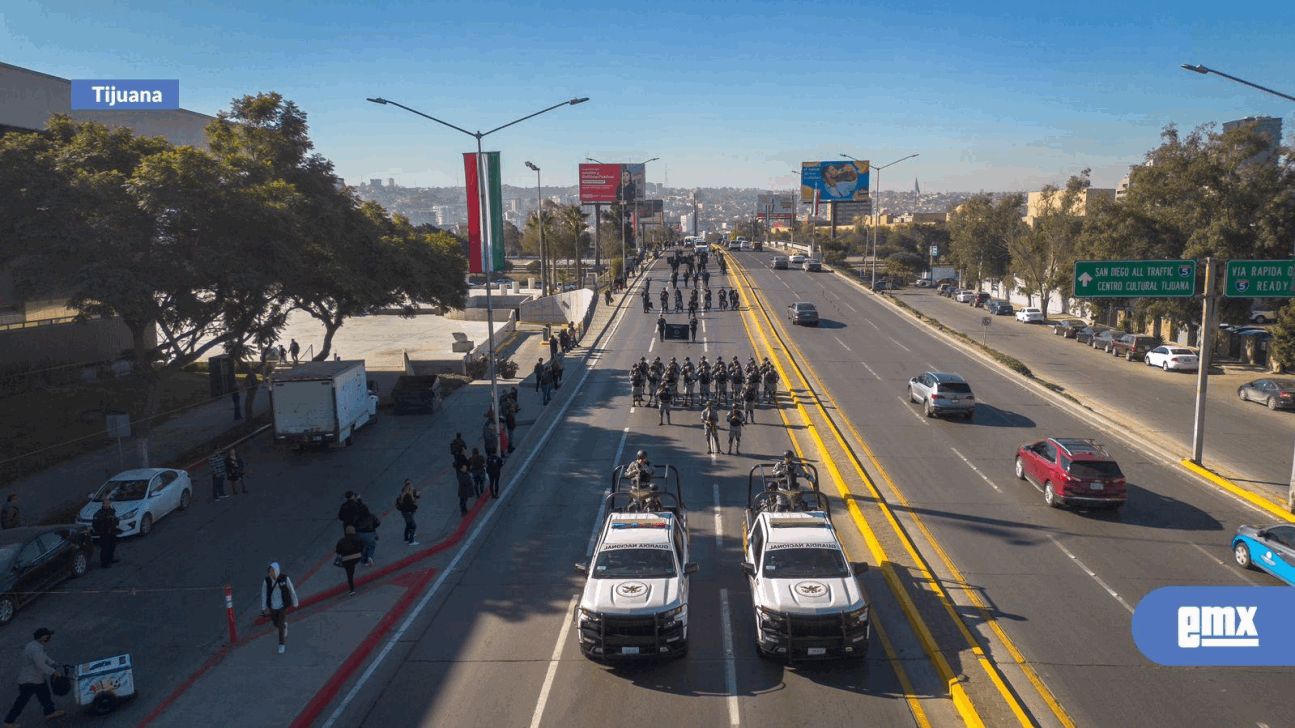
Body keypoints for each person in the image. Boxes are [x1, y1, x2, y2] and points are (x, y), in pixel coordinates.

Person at [4, 628, 65, 724]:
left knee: (45, 696)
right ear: (41, 637)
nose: (48, 639)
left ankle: (50, 712)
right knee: (21, 703)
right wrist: (54, 672)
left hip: (33, 679)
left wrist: (54, 663)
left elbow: (44, 658)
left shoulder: (33, 645)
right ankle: (8, 723)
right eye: (47, 637)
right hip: (30, 681)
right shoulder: (36, 649)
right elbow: (41, 664)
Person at [261, 563, 299, 654]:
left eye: (273, 571)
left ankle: (281, 644)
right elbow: (264, 594)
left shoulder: (284, 578)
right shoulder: (267, 581)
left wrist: (295, 601)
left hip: (283, 605)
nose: (271, 573)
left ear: (277, 571)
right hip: (273, 606)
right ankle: (284, 626)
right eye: (270, 571)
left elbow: (291, 589)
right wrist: (263, 607)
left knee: (280, 623)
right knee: (276, 623)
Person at [335, 526, 364, 595]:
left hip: (346, 559)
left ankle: (352, 589)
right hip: (357, 557)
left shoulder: (341, 540)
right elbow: (362, 548)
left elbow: (338, 551)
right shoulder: (358, 538)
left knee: (349, 574)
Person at [93, 497, 119, 568]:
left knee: (112, 546)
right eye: (105, 504)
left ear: (110, 504)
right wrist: (100, 531)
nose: (106, 505)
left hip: (112, 532)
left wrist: (116, 522)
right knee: (105, 548)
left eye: (107, 504)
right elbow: (95, 524)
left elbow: (115, 519)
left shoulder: (112, 511)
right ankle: (104, 563)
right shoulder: (99, 513)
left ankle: (111, 559)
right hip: (104, 533)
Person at [354, 497, 379, 566]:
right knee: (371, 546)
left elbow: (354, 525)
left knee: (363, 547)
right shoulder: (371, 516)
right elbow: (377, 523)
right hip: (370, 533)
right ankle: (370, 557)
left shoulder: (357, 517)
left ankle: (363, 560)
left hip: (360, 534)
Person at [396, 479, 421, 546]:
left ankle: (406, 539)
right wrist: (415, 507)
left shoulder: (403, 494)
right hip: (408, 512)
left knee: (408, 524)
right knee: (413, 526)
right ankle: (411, 540)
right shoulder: (408, 496)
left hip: (404, 512)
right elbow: (410, 505)